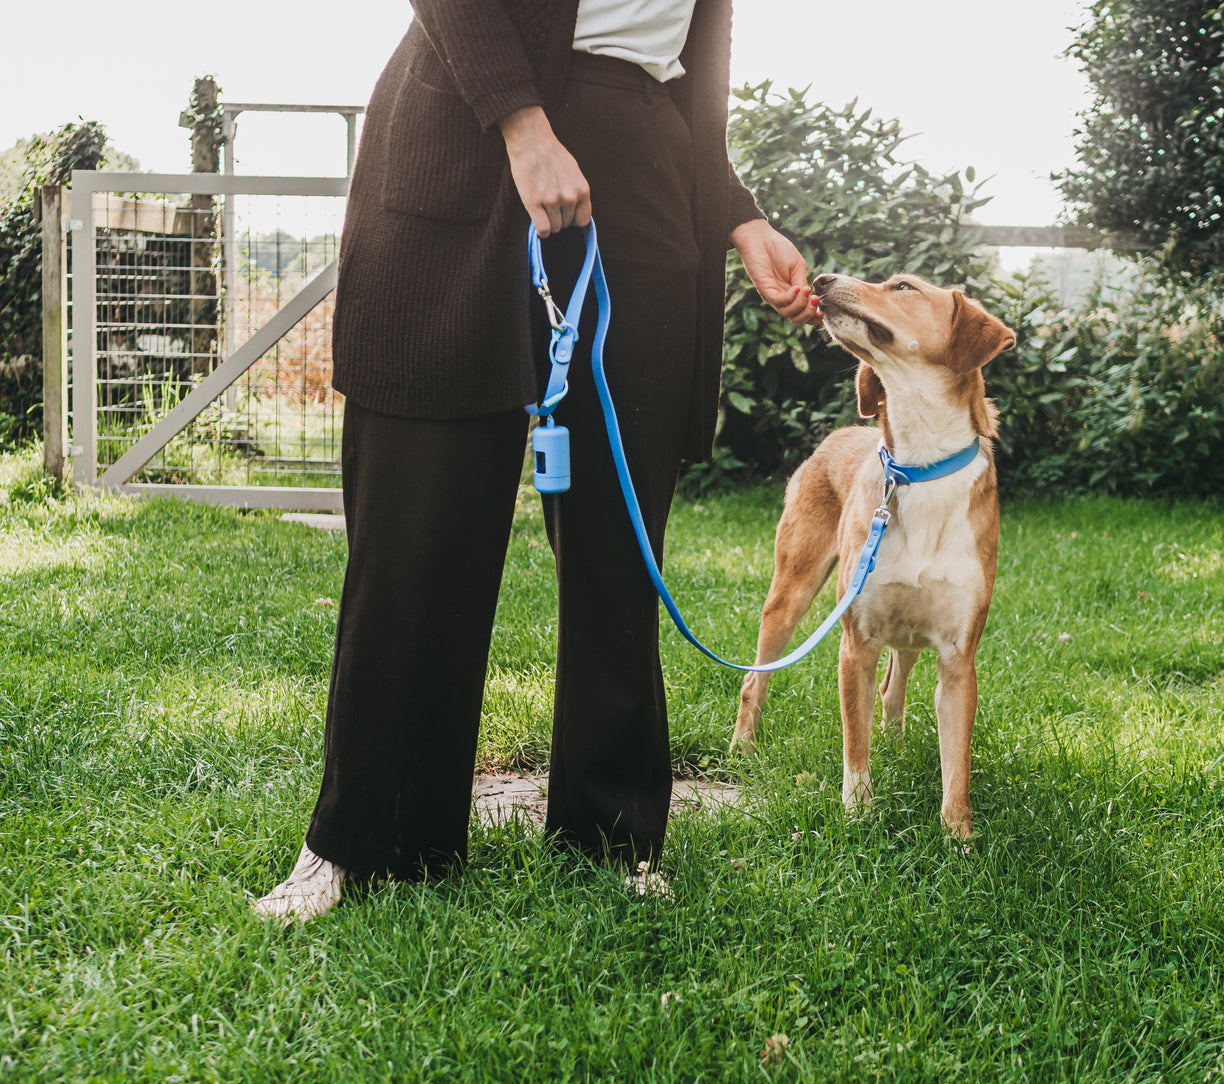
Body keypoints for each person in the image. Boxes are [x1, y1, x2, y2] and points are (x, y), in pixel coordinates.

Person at [253, 0, 820, 921]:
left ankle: (608, 838)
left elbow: (676, 65)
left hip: (643, 167)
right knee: (417, 525)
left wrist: (739, 217)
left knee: (618, 540)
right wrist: (523, 125)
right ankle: (372, 839)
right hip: (467, 140)